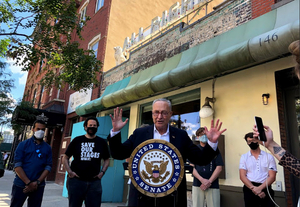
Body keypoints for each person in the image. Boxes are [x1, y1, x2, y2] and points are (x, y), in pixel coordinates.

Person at [107, 98, 226, 207]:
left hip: (172, 198)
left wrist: (212, 143)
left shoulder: (181, 135)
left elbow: (201, 159)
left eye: (164, 112)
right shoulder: (140, 133)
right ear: (152, 114)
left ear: (170, 114)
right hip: (142, 197)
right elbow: (119, 154)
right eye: (156, 112)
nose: (160, 116)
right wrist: (115, 132)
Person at [63, 117, 110, 207]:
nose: (92, 127)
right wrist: (69, 172)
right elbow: (65, 157)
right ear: (85, 127)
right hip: (76, 181)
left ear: (97, 127)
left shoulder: (101, 142)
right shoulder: (77, 140)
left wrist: (102, 173)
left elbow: (107, 159)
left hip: (94, 182)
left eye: (94, 126)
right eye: (90, 125)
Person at [11, 120, 52, 207]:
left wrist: (37, 182)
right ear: (33, 129)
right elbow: (17, 166)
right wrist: (29, 183)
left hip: (38, 186)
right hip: (21, 185)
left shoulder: (47, 148)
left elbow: (48, 166)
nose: (40, 131)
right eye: (38, 129)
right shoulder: (23, 145)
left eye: (43, 129)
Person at [239, 132, 277, 207]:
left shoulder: (268, 156)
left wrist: (260, 188)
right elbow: (242, 176)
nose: (251, 143)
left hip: (265, 187)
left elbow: (272, 177)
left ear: (258, 140)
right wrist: (254, 189)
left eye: (253, 140)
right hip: (249, 188)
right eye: (249, 141)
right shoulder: (244, 157)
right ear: (247, 143)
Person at [191, 127, 223, 207]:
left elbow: (219, 167)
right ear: (198, 137)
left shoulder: (215, 149)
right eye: (201, 135)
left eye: (205, 134)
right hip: (197, 184)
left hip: (213, 185)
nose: (204, 136)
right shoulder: (194, 150)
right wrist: (202, 180)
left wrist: (209, 182)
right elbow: (191, 167)